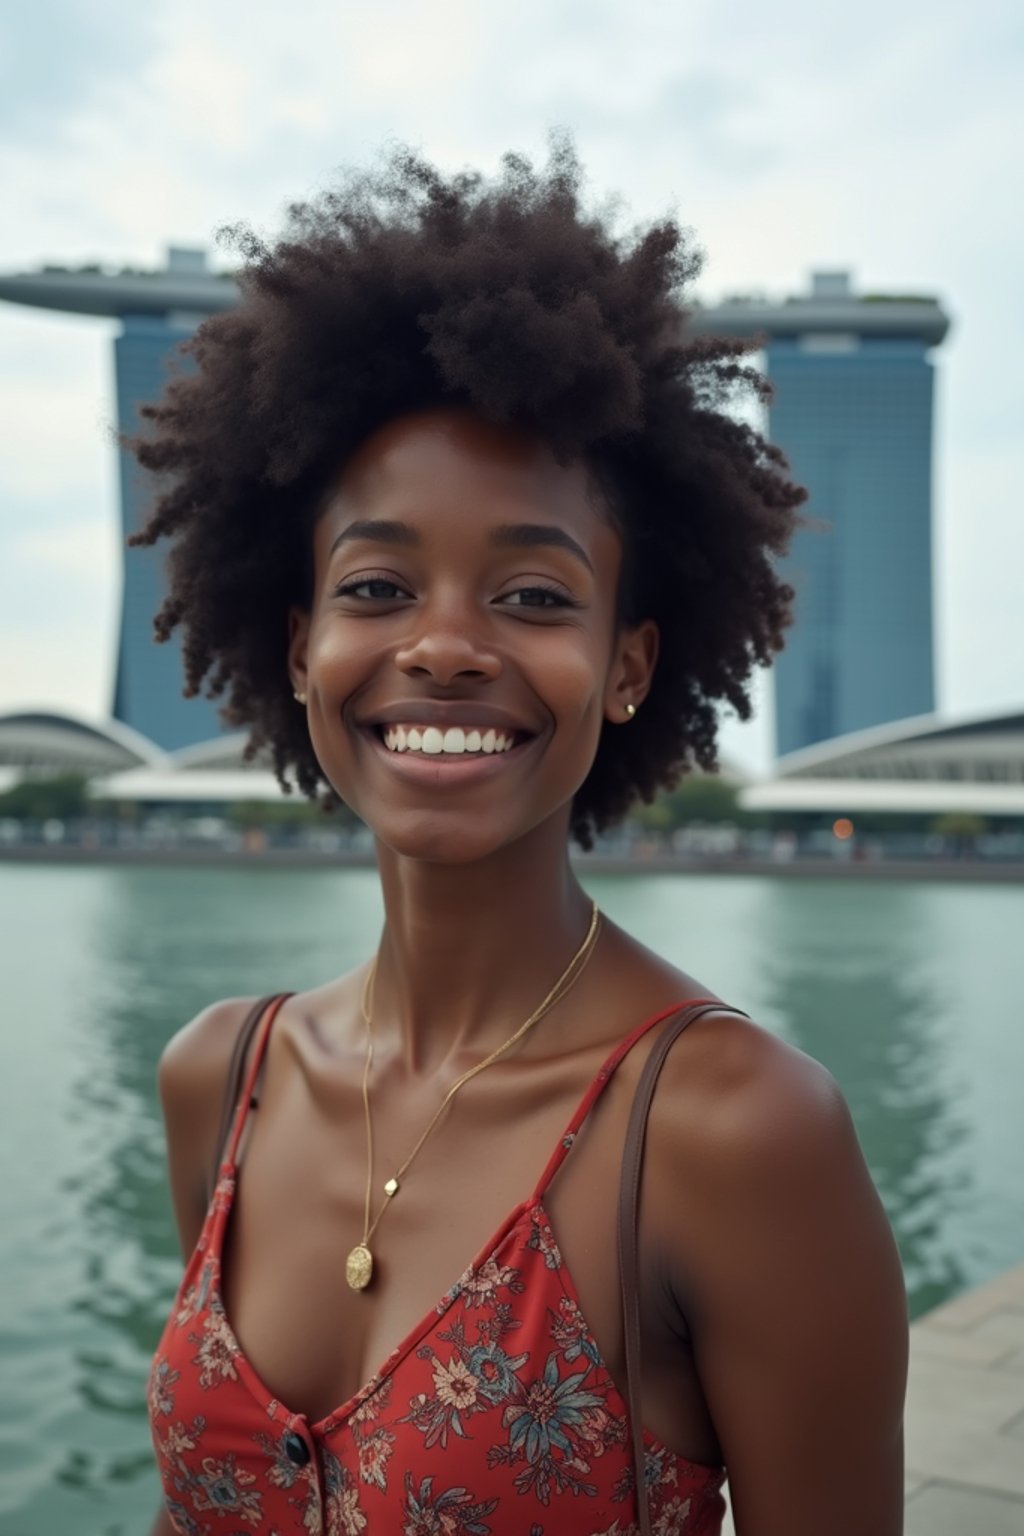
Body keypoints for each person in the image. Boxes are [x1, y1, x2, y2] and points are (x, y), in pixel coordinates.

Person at [136, 140, 908, 1536]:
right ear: (303, 647)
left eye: (536, 598)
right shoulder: (224, 1077)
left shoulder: (736, 1133)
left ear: (627, 666)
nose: (442, 647)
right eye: (378, 585)